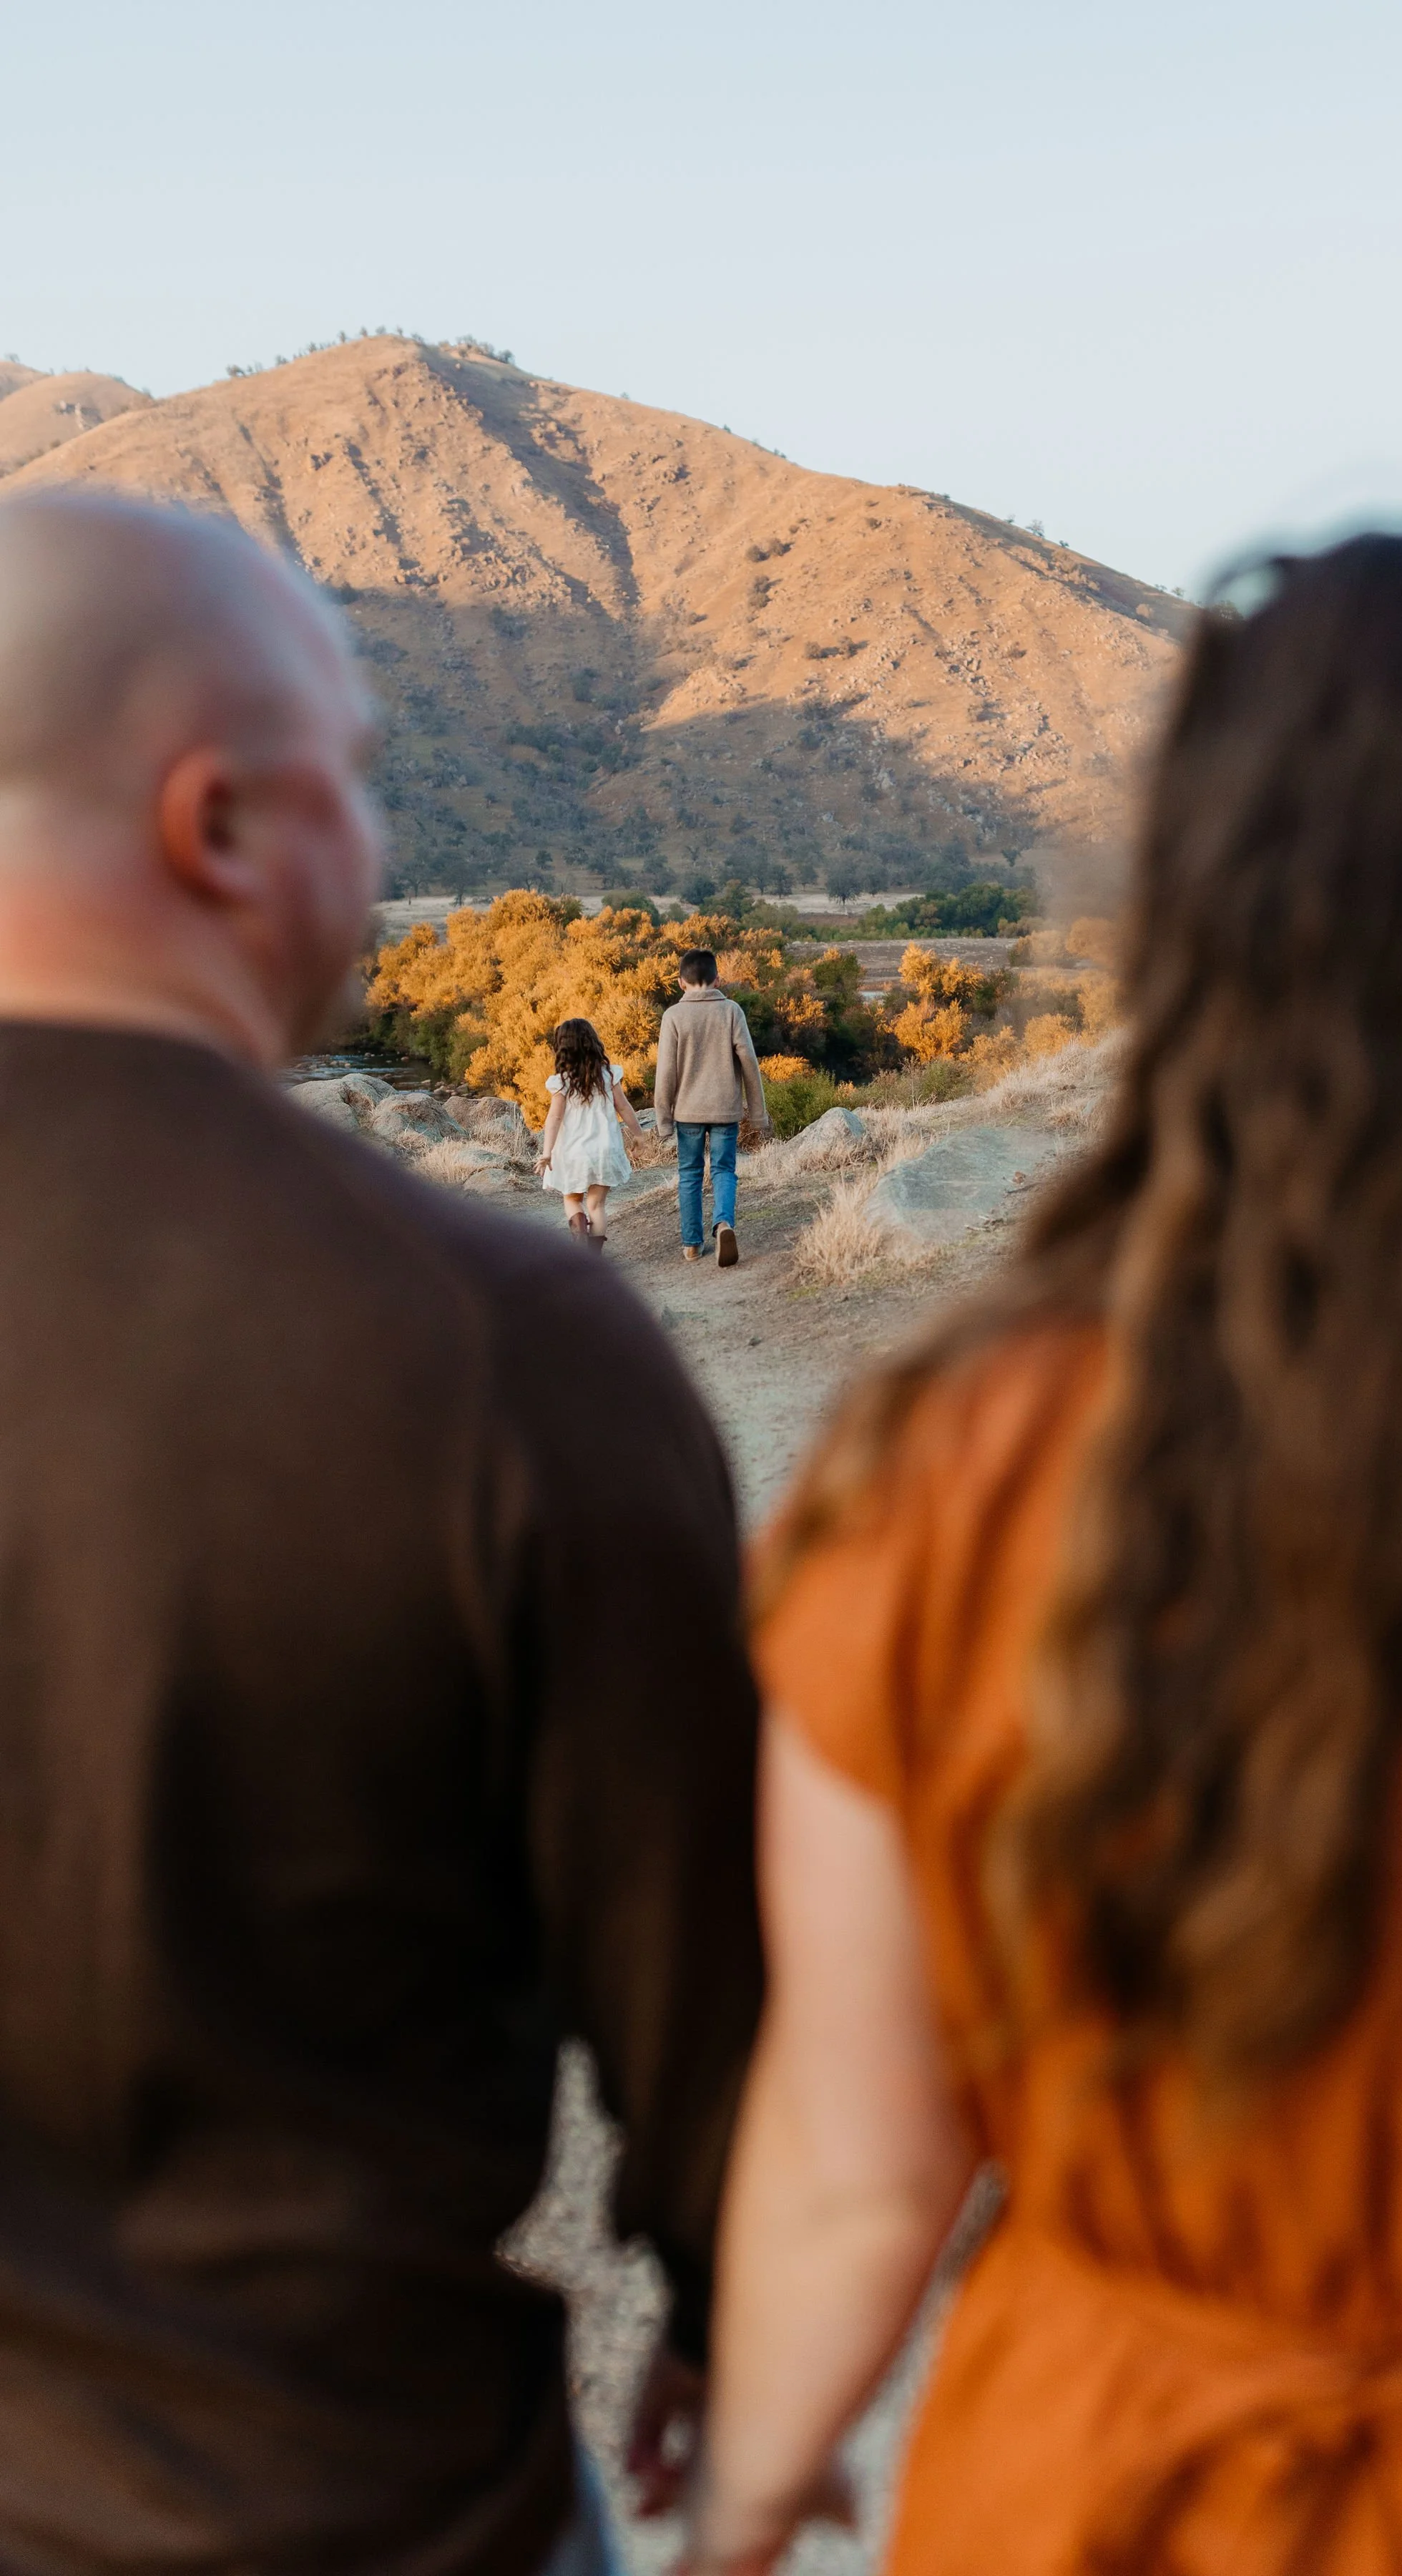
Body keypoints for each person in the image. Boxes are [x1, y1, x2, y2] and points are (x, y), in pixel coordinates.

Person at [691, 532, 1402, 2574]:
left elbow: (856, 2167)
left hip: (1099, 2506)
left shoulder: (948, 1470)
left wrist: (753, 2491)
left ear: (1197, 921)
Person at [0, 489, 763, 2576]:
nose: (380, 842)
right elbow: (705, 1986)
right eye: (351, 773)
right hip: (358, 2500)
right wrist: (718, 2304)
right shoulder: (499, 1347)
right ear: (217, 825)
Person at [654, 947, 769, 1267]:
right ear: (718, 978)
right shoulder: (731, 1010)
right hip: (725, 1109)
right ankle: (724, 1224)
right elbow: (749, 1061)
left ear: (680, 982)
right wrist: (758, 1114)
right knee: (723, 1170)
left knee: (689, 1173)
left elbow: (666, 1072)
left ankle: (692, 1244)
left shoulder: (673, 1016)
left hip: (687, 1112)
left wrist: (663, 1119)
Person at [535, 1013, 645, 1252]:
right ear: (593, 1044)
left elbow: (554, 1118)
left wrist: (547, 1152)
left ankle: (578, 1232)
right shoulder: (608, 1075)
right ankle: (594, 1256)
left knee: (573, 1199)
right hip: (605, 1150)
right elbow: (624, 1107)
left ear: (562, 1049)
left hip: (573, 1151)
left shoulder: (561, 1082)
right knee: (597, 1206)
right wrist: (639, 1135)